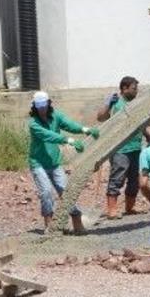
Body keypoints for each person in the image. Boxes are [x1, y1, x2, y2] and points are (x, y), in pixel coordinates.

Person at [27, 91, 100, 234]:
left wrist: (85, 129)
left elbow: (69, 124)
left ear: (49, 103)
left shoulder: (56, 116)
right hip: (38, 163)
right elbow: (48, 136)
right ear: (35, 107)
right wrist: (68, 140)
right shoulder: (33, 124)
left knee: (66, 191)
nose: (42, 109)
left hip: (54, 162)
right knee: (46, 192)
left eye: (44, 105)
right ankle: (49, 224)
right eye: (39, 106)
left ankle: (77, 221)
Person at [96, 76, 150, 219]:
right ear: (124, 88)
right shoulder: (117, 104)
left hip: (135, 147)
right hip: (120, 149)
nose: (136, 91)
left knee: (134, 180)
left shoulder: (135, 104)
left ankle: (129, 207)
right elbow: (101, 118)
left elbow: (138, 123)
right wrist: (108, 104)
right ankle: (112, 210)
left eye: (136, 89)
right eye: (134, 89)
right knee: (117, 178)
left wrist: (147, 135)